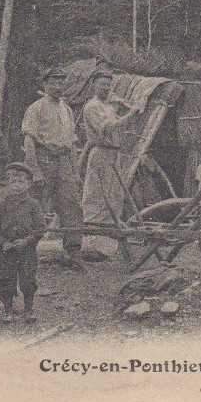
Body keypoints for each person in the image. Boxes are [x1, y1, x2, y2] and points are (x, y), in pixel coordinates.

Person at [22, 67, 85, 271]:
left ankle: (73, 253)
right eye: (54, 83)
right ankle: (25, 253)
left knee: (72, 205)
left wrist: (75, 173)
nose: (58, 87)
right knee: (36, 207)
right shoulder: (36, 108)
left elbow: (72, 145)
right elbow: (29, 141)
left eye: (61, 83)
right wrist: (36, 171)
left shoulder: (66, 110)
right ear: (46, 85)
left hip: (64, 162)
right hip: (44, 160)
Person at [0, 162, 46, 324]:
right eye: (13, 182)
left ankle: (28, 309)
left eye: (21, 182)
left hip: (27, 249)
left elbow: (40, 228)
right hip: (6, 249)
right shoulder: (2, 205)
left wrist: (27, 241)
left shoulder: (33, 204)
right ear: (7, 184)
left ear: (28, 184)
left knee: (28, 279)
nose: (16, 186)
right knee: (6, 278)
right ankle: (7, 309)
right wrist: (2, 243)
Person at [81, 74, 138, 224]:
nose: (106, 88)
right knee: (96, 190)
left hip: (114, 152)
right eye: (102, 85)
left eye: (108, 85)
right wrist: (130, 115)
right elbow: (109, 127)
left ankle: (111, 223)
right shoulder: (92, 107)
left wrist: (121, 103)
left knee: (115, 191)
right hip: (101, 151)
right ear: (94, 86)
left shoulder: (108, 106)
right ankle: (93, 224)